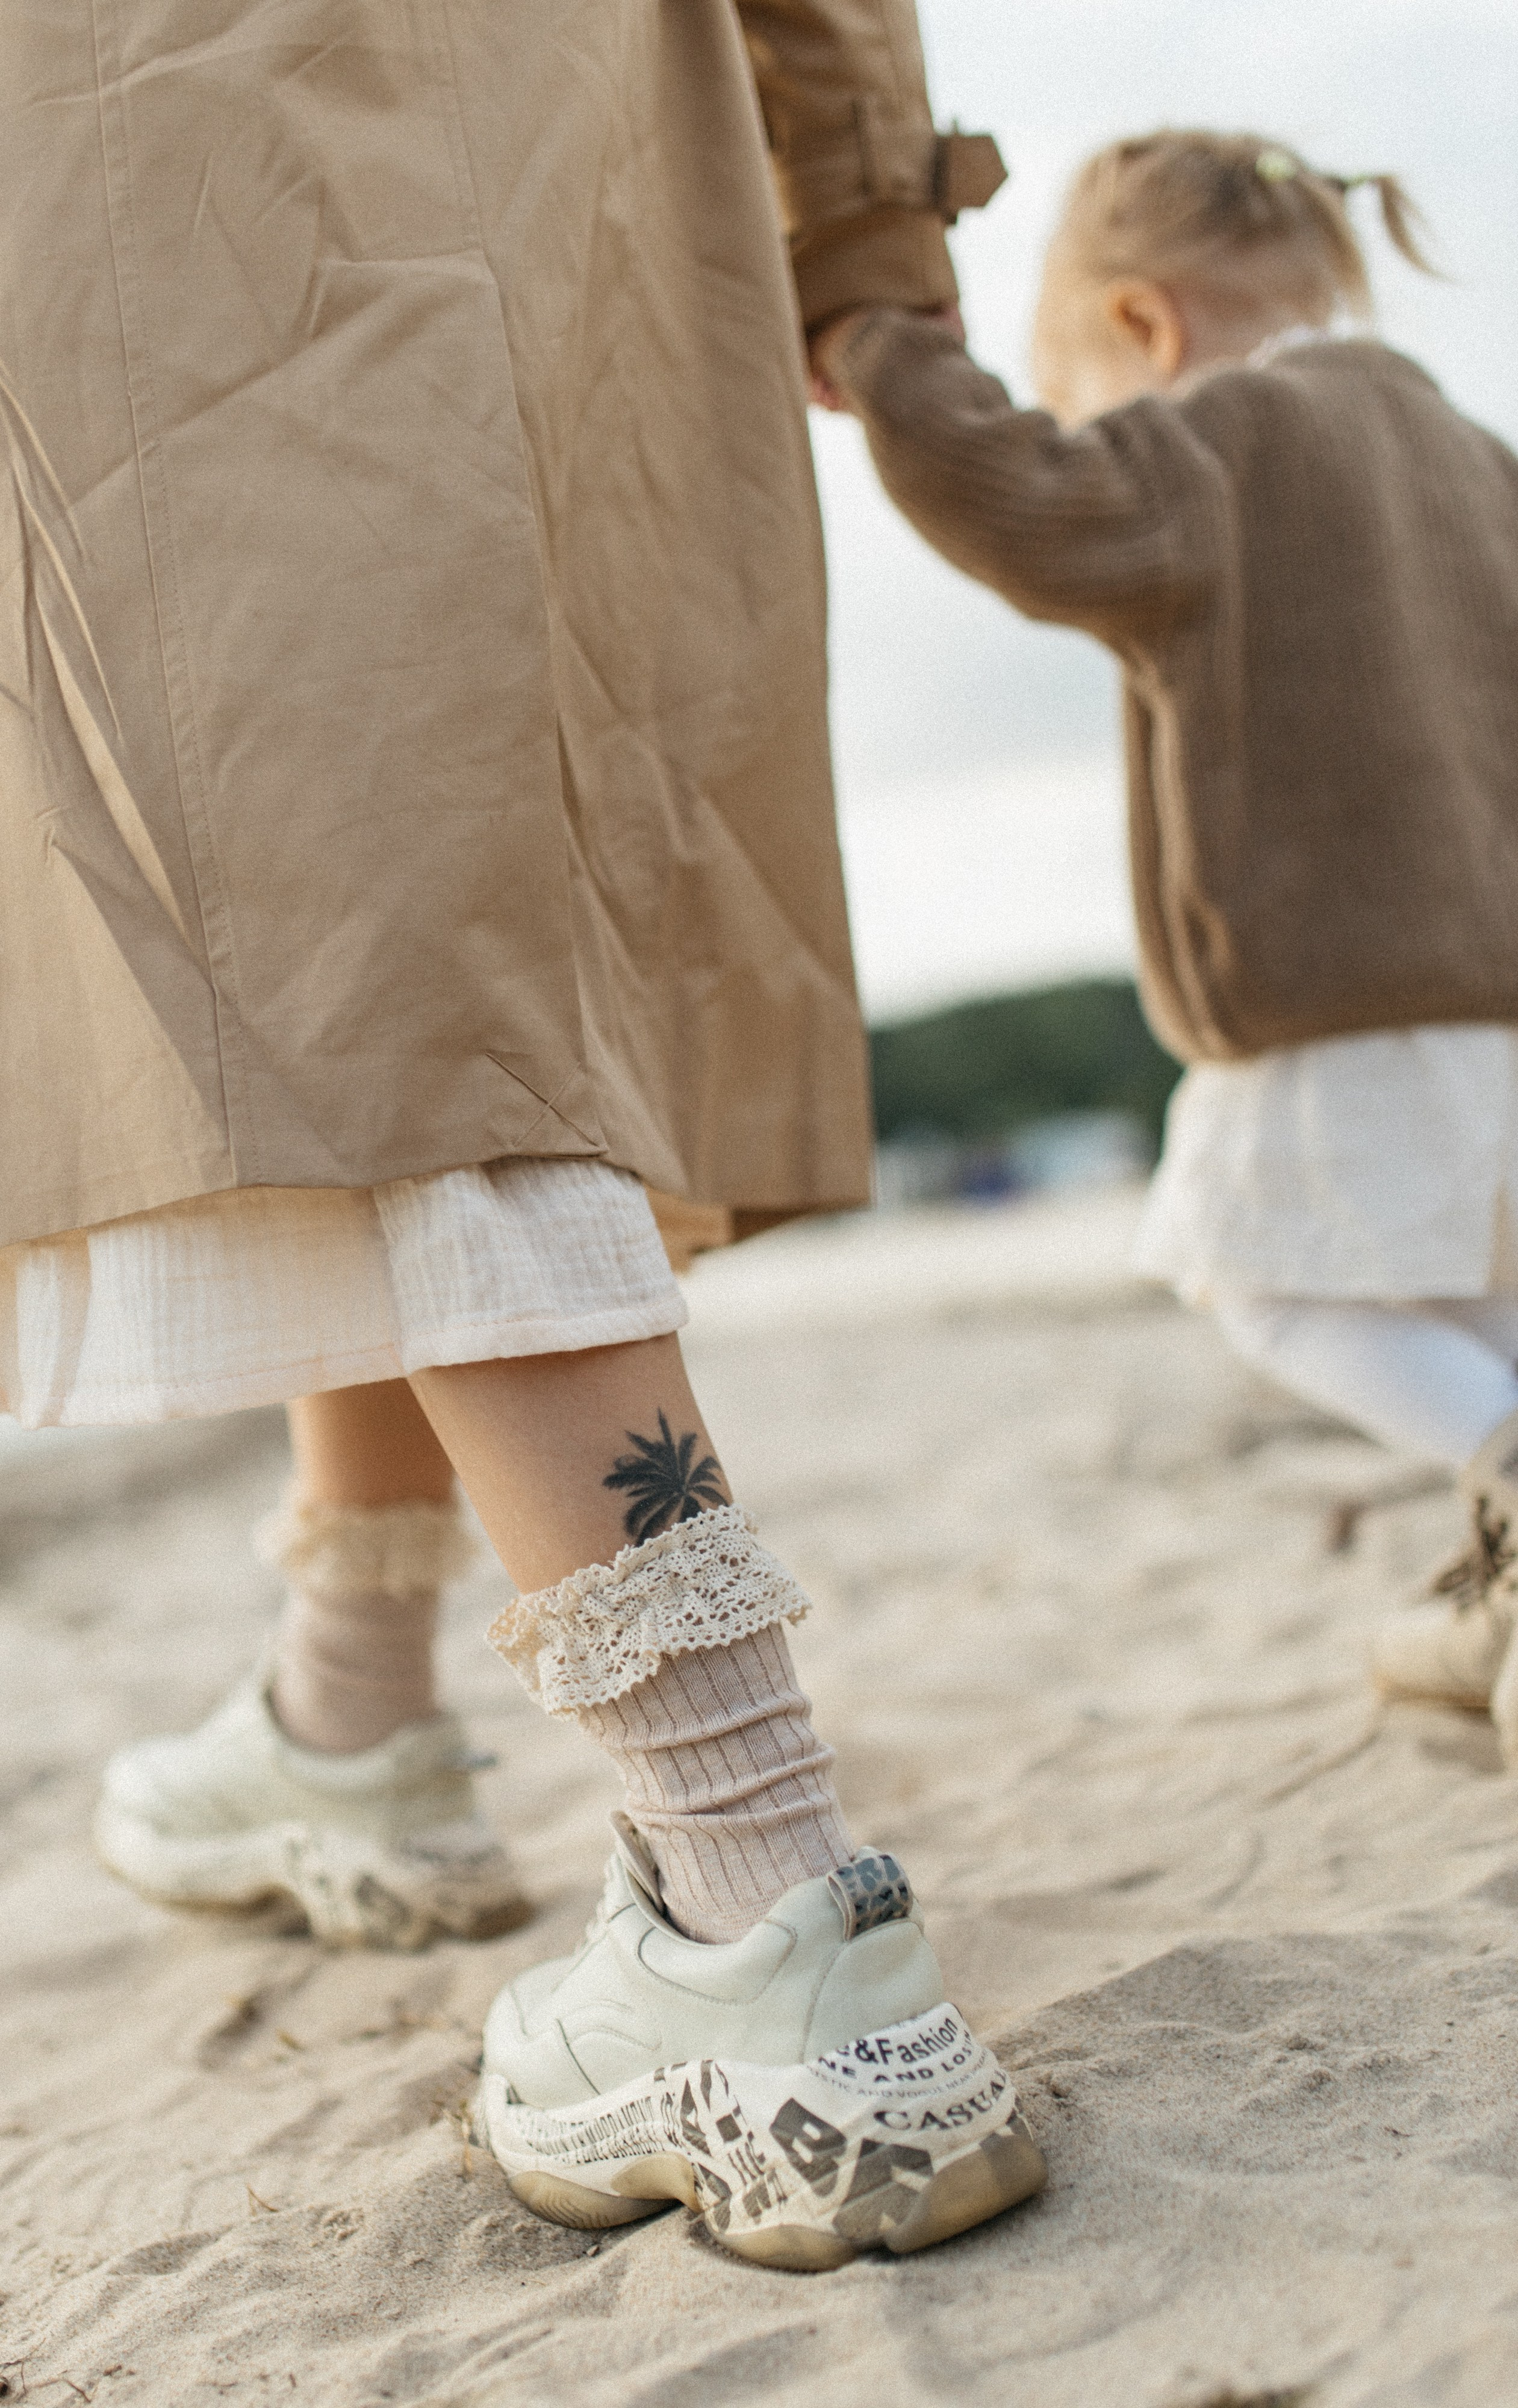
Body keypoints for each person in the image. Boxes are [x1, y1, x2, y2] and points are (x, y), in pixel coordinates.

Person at [1, 2, 1042, 2266]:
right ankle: (350, 1709)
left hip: (156, 124)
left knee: (351, 926)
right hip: (585, 160)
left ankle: (760, 1898)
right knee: (392, 919)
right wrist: (861, 211)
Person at [813, 129, 1518, 1763]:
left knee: (1259, 1280)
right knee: (1477, 1298)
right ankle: (1492, 1562)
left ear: (1140, 325)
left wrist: (877, 345)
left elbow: (1027, 506)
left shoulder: (1221, 442)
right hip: (1505, 1002)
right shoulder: (1473, 456)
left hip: (1338, 998)